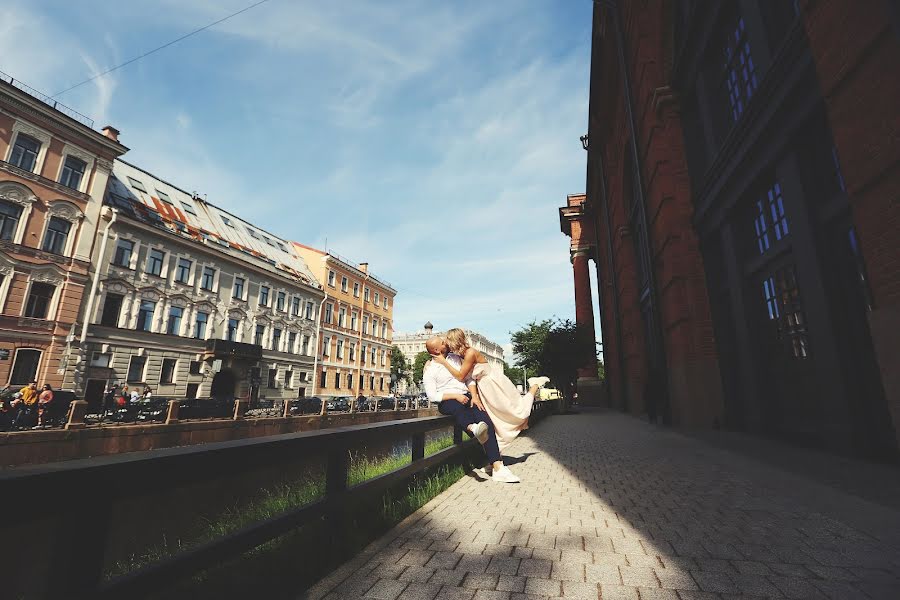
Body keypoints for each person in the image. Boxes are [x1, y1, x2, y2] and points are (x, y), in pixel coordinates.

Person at [431, 328, 549, 452]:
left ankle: (534, 385)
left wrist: (444, 362)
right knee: (493, 419)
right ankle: (495, 456)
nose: (446, 342)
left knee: (515, 411)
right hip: (482, 386)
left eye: (447, 340)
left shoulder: (470, 353)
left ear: (454, 340)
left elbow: (461, 376)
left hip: (492, 384)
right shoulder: (458, 354)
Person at [423, 336, 520, 483]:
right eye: (443, 342)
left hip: (467, 396)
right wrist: (455, 396)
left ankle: (497, 467)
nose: (446, 342)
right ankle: (473, 429)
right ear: (437, 350)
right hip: (448, 400)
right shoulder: (430, 369)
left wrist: (474, 396)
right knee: (457, 409)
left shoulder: (455, 358)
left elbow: (468, 378)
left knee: (487, 424)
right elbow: (432, 395)